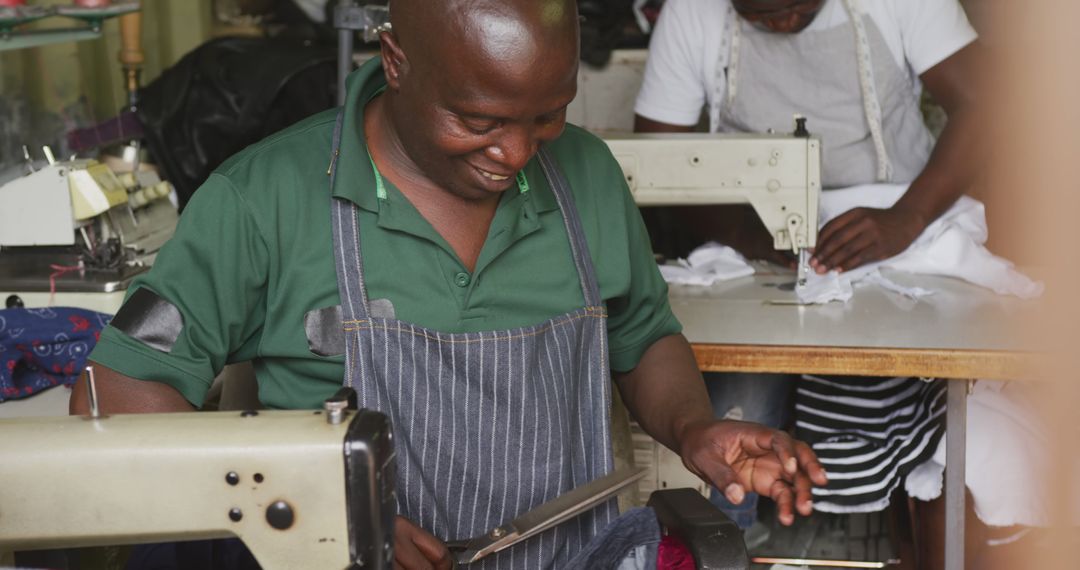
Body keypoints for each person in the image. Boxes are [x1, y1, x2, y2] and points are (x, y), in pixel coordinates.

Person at [71, 0, 828, 568]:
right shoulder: (264, 199)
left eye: (548, 115)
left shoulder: (587, 178)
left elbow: (642, 336)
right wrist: (323, 507)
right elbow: (118, 392)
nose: (517, 152)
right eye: (477, 120)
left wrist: (696, 429)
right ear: (396, 61)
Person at [633, 0, 982, 563]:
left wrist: (909, 217)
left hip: (901, 228)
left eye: (795, 8)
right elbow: (659, 156)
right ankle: (729, 545)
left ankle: (893, 528)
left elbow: (988, 105)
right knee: (733, 405)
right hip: (756, 237)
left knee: (927, 395)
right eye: (760, 16)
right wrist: (752, 237)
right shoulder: (692, 13)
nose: (782, 26)